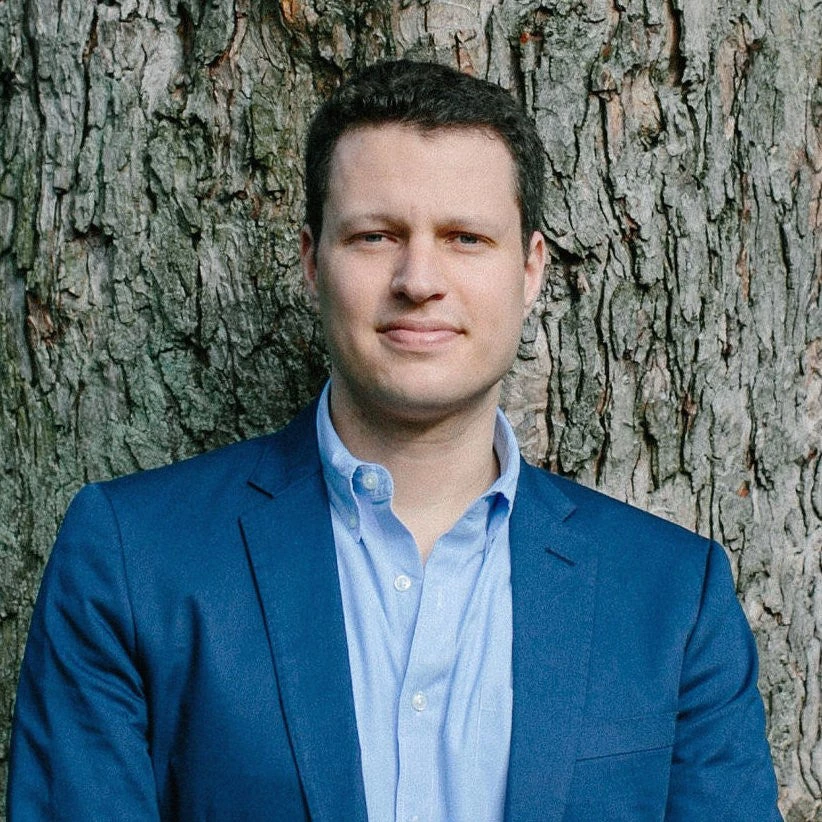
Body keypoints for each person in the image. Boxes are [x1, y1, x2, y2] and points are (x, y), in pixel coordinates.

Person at [8, 60, 781, 821]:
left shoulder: (672, 597)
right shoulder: (133, 559)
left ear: (530, 269)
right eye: (376, 235)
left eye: (466, 237)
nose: (419, 279)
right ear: (312, 262)